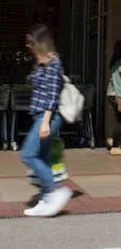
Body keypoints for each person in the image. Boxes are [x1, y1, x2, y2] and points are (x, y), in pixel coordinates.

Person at [22, 24, 73, 218]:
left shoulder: (53, 62)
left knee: (28, 155)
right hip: (39, 115)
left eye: (31, 42)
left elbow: (52, 96)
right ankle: (45, 199)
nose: (28, 45)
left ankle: (54, 191)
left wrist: (45, 122)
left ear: (41, 43)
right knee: (42, 157)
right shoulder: (40, 63)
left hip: (48, 117)